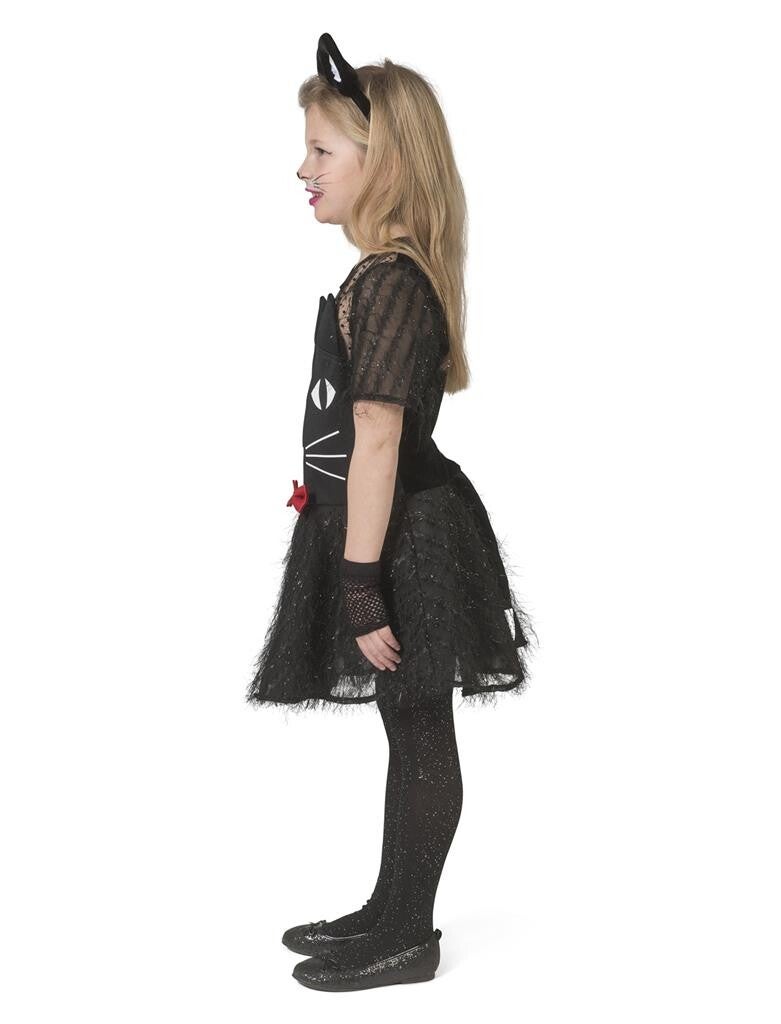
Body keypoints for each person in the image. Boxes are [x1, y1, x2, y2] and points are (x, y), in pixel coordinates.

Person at [246, 33, 538, 992]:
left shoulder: (388, 282)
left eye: (321, 150)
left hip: (403, 536)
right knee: (407, 725)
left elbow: (376, 437)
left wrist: (362, 582)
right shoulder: (381, 275)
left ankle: (409, 934)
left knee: (417, 727)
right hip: (389, 528)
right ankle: (389, 909)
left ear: (386, 163)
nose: (303, 168)